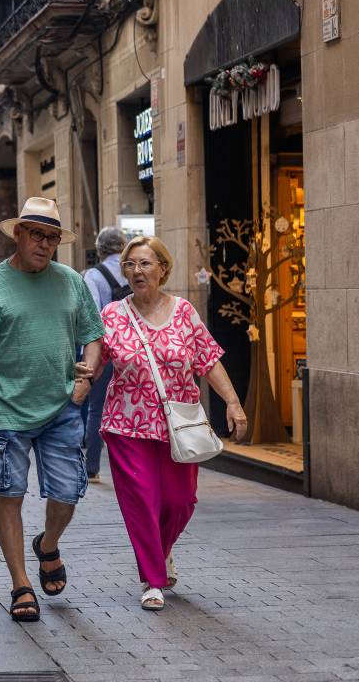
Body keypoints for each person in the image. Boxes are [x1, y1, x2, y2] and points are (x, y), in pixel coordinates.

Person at [0, 197, 104, 621]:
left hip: (62, 407)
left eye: (52, 238)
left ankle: (48, 544)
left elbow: (94, 335)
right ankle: (21, 584)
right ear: (18, 234)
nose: (44, 244)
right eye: (37, 234)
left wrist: (85, 378)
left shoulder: (71, 282)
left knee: (67, 494)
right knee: (10, 494)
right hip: (6, 410)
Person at [98, 235, 247, 612]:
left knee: (181, 501)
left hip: (178, 424)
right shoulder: (112, 314)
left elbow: (208, 360)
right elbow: (94, 362)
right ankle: (152, 580)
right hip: (126, 425)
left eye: (145, 263)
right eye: (130, 264)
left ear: (163, 269)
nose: (136, 271)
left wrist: (232, 402)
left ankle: (161, 551)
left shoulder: (183, 312)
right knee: (142, 501)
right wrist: (79, 377)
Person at [81, 226, 129, 481]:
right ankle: (132, 467)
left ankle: (92, 468)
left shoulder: (94, 275)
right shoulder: (133, 269)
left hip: (106, 353)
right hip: (135, 353)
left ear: (100, 249)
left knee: (97, 409)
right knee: (131, 408)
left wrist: (88, 357)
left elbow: (91, 318)